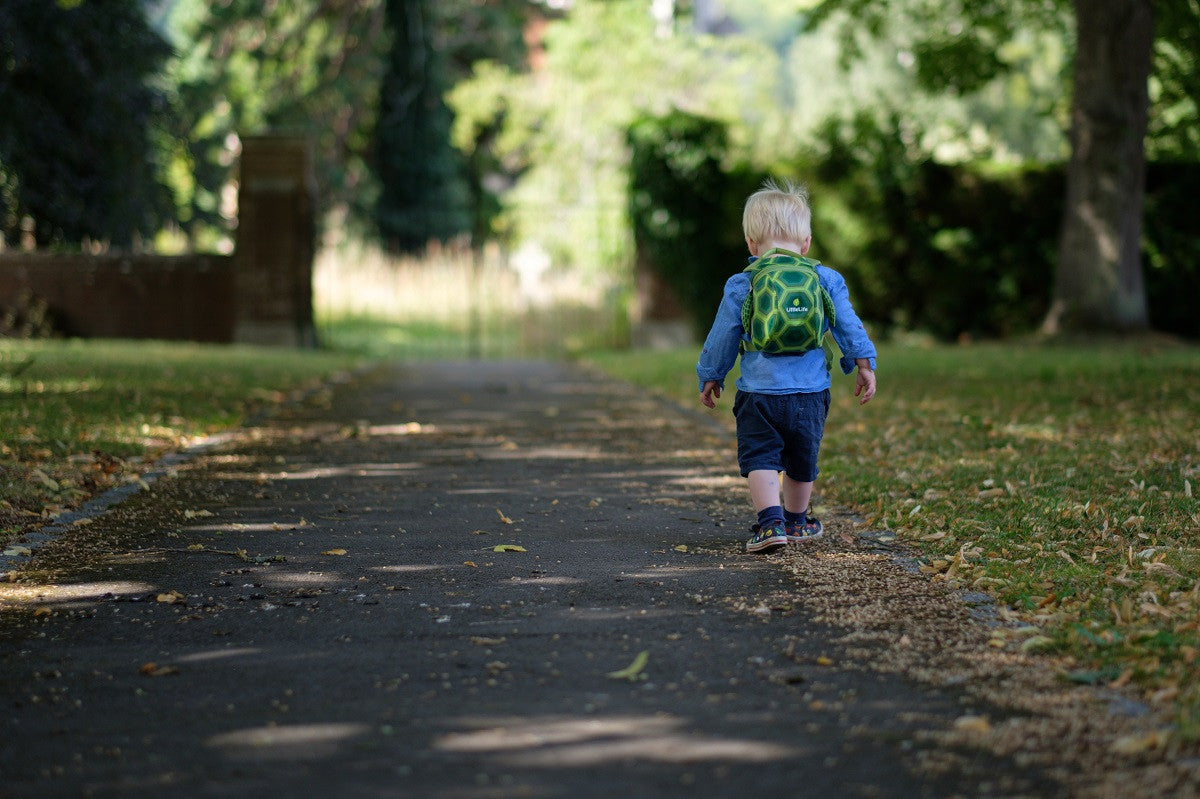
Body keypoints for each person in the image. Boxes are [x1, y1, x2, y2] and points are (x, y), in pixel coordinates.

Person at [697, 178, 877, 554]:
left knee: (760, 457)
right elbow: (848, 325)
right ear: (806, 243)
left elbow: (723, 335)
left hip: (758, 393)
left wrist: (712, 374)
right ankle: (797, 521)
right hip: (811, 392)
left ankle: (770, 525)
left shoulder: (742, 283)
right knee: (802, 457)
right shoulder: (825, 279)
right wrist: (864, 363)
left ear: (751, 243)